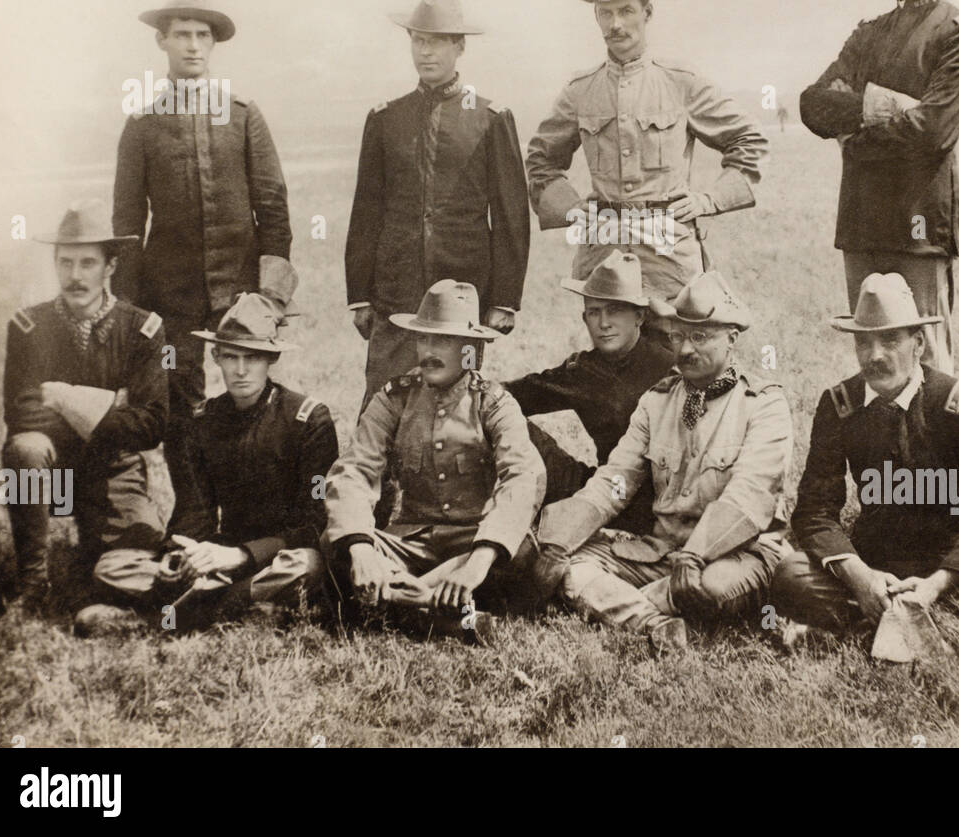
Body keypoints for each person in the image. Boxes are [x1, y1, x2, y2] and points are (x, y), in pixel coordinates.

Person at [530, 272, 792, 652]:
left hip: (737, 552)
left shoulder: (764, 405)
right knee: (567, 565)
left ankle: (630, 605)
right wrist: (559, 542)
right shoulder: (657, 401)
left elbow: (749, 497)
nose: (684, 350)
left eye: (700, 337)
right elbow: (615, 481)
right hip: (659, 551)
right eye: (678, 336)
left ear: (732, 339)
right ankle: (657, 623)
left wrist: (695, 555)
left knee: (710, 588)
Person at [112, 0, 295, 520]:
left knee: (250, 393)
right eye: (182, 35)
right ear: (162, 42)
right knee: (178, 403)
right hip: (170, 297)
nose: (193, 46)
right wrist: (131, 309)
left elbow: (273, 206)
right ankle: (191, 515)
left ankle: (257, 513)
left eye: (202, 36)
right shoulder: (141, 124)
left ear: (214, 45)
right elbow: (127, 225)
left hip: (240, 289)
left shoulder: (243, 115)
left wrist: (269, 296)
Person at [771, 273, 959, 646]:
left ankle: (869, 627)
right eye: (864, 341)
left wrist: (936, 584)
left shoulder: (958, 403)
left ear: (919, 343)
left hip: (946, 568)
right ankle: (912, 624)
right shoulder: (839, 405)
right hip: (873, 566)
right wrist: (861, 577)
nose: (875, 355)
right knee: (789, 572)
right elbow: (814, 512)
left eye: (890, 340)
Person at [798, 0, 959, 372]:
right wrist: (880, 109)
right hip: (863, 223)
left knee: (928, 363)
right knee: (873, 360)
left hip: (919, 224)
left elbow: (934, 132)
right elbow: (813, 105)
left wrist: (854, 132)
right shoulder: (868, 33)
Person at [525, 0, 768, 304]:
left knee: (674, 351)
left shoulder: (680, 82)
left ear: (647, 12)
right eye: (605, 14)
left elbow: (750, 140)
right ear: (596, 18)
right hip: (603, 257)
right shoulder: (580, 90)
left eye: (626, 11)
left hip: (669, 258)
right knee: (610, 352)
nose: (616, 24)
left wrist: (708, 201)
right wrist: (573, 209)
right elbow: (540, 159)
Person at [321, 281, 544, 643]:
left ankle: (391, 606)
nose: (428, 351)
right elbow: (353, 472)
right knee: (336, 547)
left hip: (473, 542)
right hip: (413, 544)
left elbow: (520, 480)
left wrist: (477, 564)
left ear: (470, 349)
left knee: (518, 554)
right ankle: (448, 618)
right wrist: (362, 549)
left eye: (443, 341)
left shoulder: (494, 403)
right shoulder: (394, 399)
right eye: (423, 339)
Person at [345, 0, 530, 407]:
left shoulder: (490, 119)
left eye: (438, 42)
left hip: (462, 298)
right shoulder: (385, 119)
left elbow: (510, 217)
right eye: (418, 40)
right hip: (394, 292)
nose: (426, 52)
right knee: (382, 406)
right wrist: (360, 294)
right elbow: (366, 211)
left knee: (455, 409)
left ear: (459, 46)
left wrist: (504, 299)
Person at [1, 200, 167, 621]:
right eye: (65, 262)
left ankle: (90, 565)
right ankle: (33, 586)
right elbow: (21, 414)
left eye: (87, 263)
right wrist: (113, 405)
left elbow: (150, 425)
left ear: (110, 266)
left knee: (139, 569)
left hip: (114, 469)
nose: (75, 276)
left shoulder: (144, 329)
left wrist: (61, 397)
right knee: (26, 449)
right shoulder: (28, 327)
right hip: (54, 474)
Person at [142, 293, 339, 630]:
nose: (241, 370)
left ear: (271, 358)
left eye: (253, 357)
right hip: (224, 551)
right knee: (126, 567)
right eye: (230, 357)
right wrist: (176, 554)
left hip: (282, 554)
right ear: (216, 357)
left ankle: (206, 608)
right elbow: (194, 511)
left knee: (305, 566)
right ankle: (228, 601)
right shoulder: (202, 420)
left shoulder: (308, 420)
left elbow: (314, 521)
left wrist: (243, 555)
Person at [505, 250, 675, 536]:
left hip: (668, 503)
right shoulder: (582, 371)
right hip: (606, 493)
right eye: (594, 312)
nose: (604, 323)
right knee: (504, 417)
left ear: (639, 316)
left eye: (615, 310)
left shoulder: (670, 366)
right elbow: (513, 395)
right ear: (584, 319)